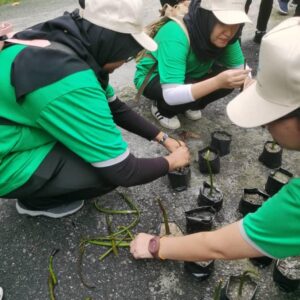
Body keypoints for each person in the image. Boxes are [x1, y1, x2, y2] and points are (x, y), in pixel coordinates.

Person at [0, 0, 190, 218]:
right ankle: (37, 201)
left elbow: (116, 107)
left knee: (94, 146)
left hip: (15, 129)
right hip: (5, 159)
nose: (124, 62)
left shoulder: (65, 40)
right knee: (103, 175)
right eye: (126, 54)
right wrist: (172, 162)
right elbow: (124, 171)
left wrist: (163, 138)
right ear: (112, 43)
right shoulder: (70, 80)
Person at [130, 17, 300, 261]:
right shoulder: (176, 34)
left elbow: (221, 246)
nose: (265, 125)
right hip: (163, 84)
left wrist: (158, 246)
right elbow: (171, 90)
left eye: (271, 115)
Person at [134, 0, 251, 130]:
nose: (229, 32)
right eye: (223, 23)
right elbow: (171, 94)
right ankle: (162, 109)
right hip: (154, 77)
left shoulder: (226, 36)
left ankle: (192, 105)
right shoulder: (176, 33)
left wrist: (250, 85)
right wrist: (217, 82)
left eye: (235, 25)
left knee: (232, 79)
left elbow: (242, 69)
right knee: (195, 87)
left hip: (191, 73)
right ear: (207, 17)